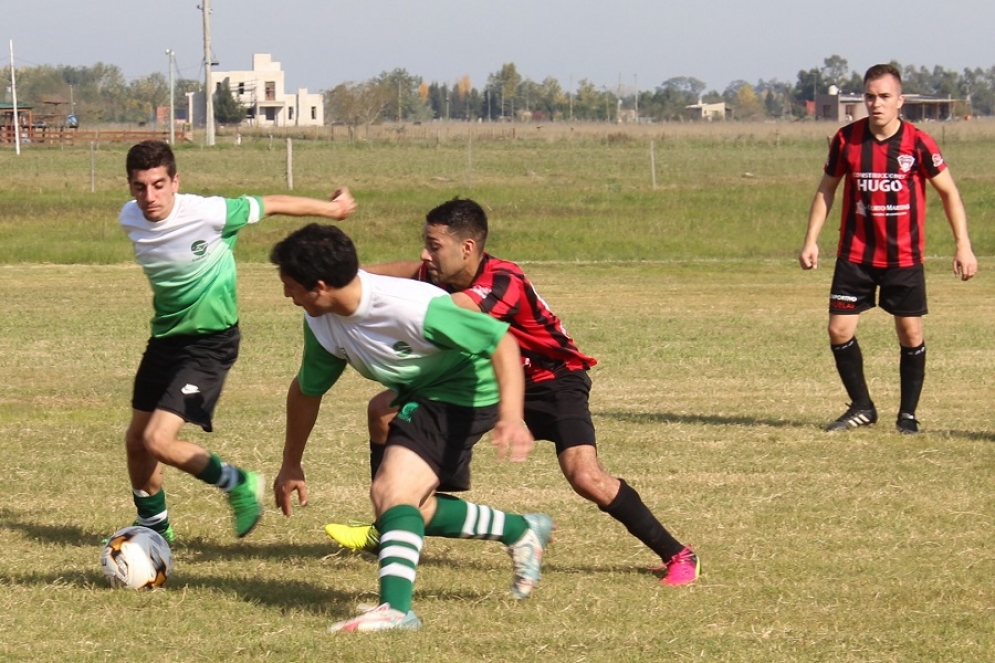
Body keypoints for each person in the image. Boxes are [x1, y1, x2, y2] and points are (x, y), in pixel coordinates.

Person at [324, 197, 700, 587]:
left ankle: (678, 554)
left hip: (551, 380)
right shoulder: (435, 272)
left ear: (467, 247)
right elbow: (375, 277)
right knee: (383, 411)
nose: (424, 254)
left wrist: (375, 302)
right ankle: (390, 523)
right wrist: (339, 279)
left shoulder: (503, 279)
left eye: (434, 246)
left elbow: (439, 312)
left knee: (585, 476)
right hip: (484, 378)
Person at [269, 222, 552, 633]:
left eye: (291, 286)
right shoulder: (322, 320)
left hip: (467, 391)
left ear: (320, 286)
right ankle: (521, 529)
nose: (286, 295)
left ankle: (397, 611)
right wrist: (291, 463)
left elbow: (501, 342)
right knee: (406, 509)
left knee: (391, 491)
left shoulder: (411, 307)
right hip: (422, 393)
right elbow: (307, 391)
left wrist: (511, 416)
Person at [117, 140, 356, 544]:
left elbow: (273, 204)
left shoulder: (207, 213)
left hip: (210, 344)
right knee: (137, 443)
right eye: (140, 187)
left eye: (158, 185)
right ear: (130, 187)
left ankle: (239, 483)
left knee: (159, 440)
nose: (150, 197)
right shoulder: (130, 217)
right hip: (165, 340)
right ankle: (153, 528)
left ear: (175, 182)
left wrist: (333, 209)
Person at [799, 64, 977, 434]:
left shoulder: (918, 143)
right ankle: (862, 407)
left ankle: (907, 415)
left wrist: (963, 245)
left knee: (910, 334)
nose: (876, 103)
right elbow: (827, 188)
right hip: (856, 255)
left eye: (884, 96)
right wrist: (811, 239)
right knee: (838, 330)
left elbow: (949, 193)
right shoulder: (847, 140)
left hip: (903, 257)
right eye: (870, 96)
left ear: (900, 101)